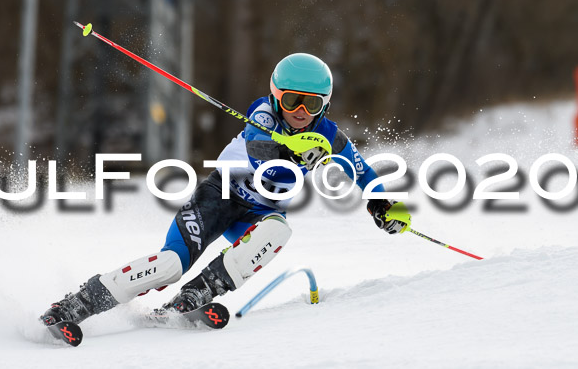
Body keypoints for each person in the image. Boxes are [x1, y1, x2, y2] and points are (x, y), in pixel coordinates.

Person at [40, 53, 409, 326]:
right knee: (170, 265)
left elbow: (361, 171)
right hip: (218, 198)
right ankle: (77, 304)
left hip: (259, 212)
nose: (299, 111)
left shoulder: (330, 135)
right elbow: (260, 152)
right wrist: (293, 151)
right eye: (291, 100)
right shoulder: (263, 115)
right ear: (276, 96)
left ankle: (200, 292)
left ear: (324, 105)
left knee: (279, 229)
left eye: (310, 103)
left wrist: (380, 204)